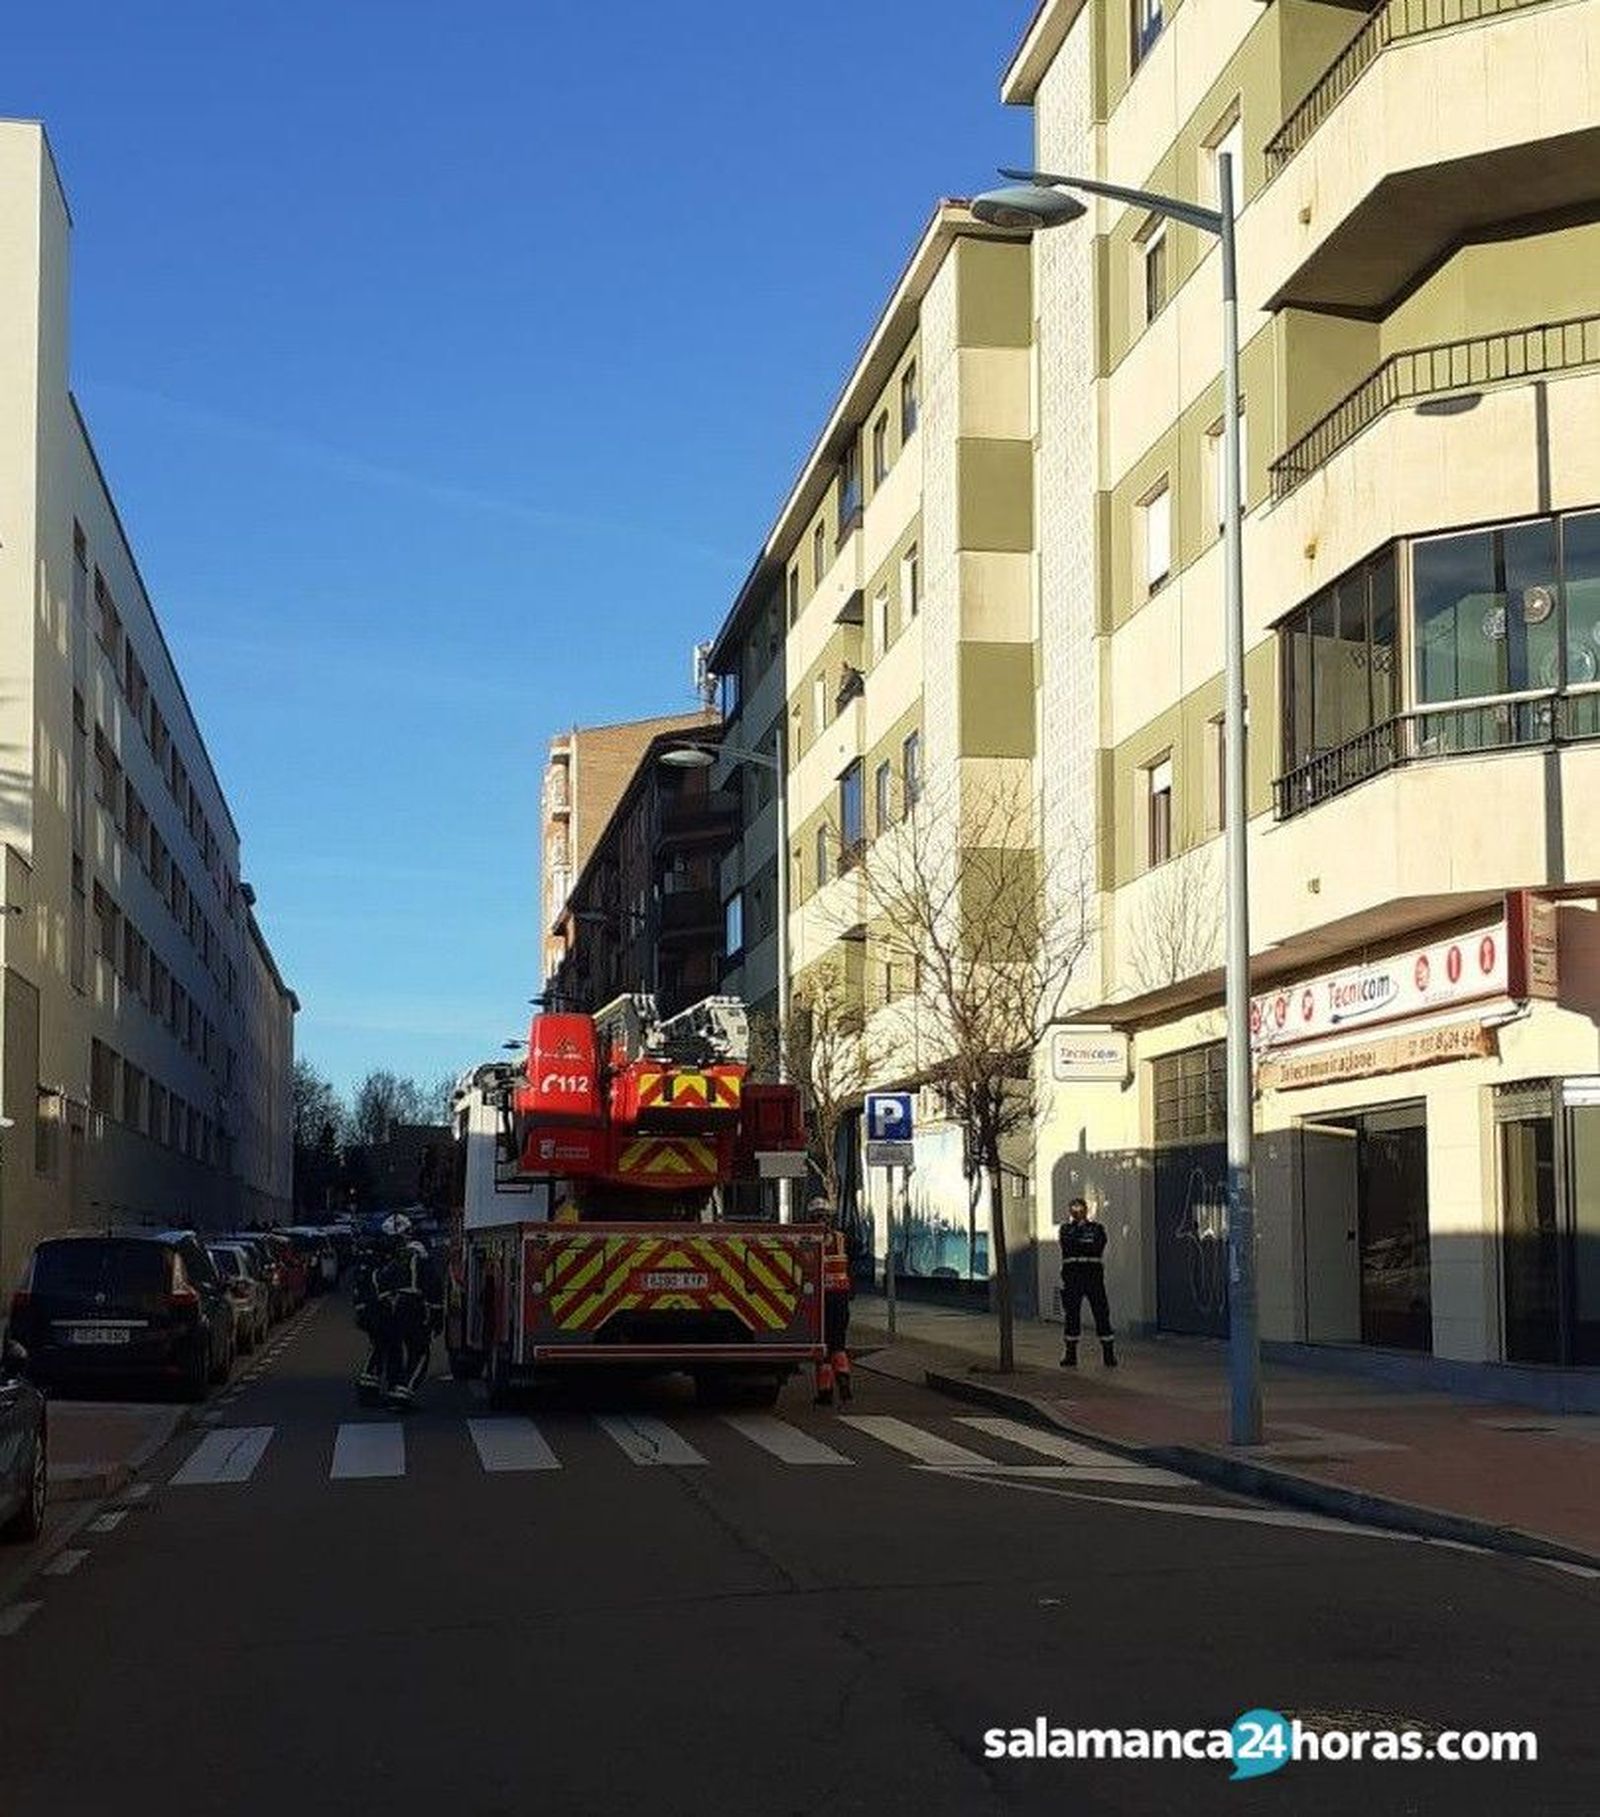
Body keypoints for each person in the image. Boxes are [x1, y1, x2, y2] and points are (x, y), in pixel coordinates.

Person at [362, 1214, 444, 1406]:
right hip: (412, 1307)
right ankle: (403, 1390)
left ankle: (377, 1384)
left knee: (388, 1346)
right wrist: (436, 1312)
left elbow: (376, 1281)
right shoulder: (419, 1254)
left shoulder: (387, 1259)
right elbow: (433, 1285)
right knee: (420, 1351)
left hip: (388, 1308)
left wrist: (373, 1308)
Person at [812, 1196, 859, 1408]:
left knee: (823, 1347)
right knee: (838, 1344)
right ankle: (844, 1384)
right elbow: (856, 1255)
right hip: (840, 1298)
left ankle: (825, 1393)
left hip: (819, 1300)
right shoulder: (842, 1238)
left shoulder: (808, 1240)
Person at [1059, 1196, 1116, 1369]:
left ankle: (1108, 1354)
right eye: (1073, 1209)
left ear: (1086, 1210)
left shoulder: (1097, 1228)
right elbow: (1068, 1245)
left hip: (1093, 1278)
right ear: (1070, 1212)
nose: (1077, 1213)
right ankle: (1070, 1355)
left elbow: (1097, 1246)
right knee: (1072, 1316)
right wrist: (1084, 1240)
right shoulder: (1065, 1229)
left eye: (1080, 1209)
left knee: (1101, 1313)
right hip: (1073, 1278)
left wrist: (1082, 1241)